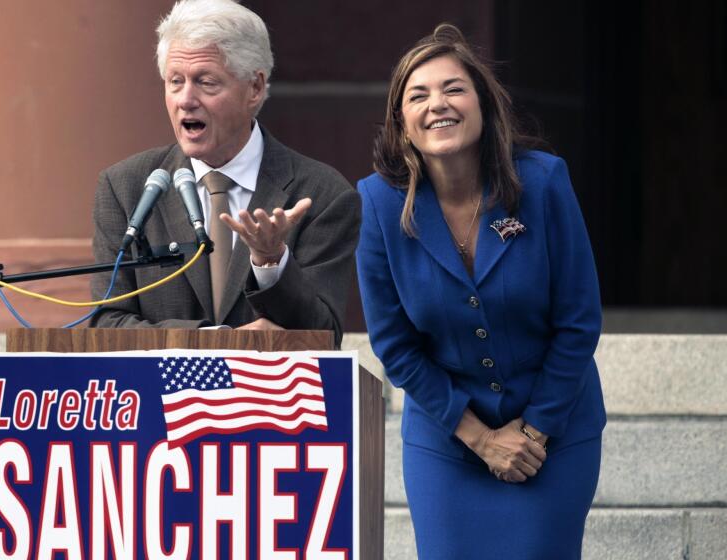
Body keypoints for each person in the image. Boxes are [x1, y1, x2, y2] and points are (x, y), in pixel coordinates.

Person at [356, 23, 606, 558]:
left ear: (483, 106)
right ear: (402, 124)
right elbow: (395, 345)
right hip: (448, 441)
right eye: (417, 95)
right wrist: (480, 437)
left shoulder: (542, 182)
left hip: (555, 436)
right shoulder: (377, 204)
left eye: (453, 89)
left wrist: (533, 434)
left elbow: (579, 320)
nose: (437, 104)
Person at [90, 0, 360, 346]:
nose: (185, 99)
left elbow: (323, 336)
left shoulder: (321, 194)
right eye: (175, 81)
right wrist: (214, 340)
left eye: (206, 82)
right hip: (157, 396)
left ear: (255, 88)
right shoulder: (125, 187)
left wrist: (271, 262)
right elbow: (105, 323)